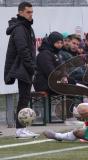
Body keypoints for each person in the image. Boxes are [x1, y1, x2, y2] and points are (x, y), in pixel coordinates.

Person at [4, 2, 39, 138]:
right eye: (28, 12)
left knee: (25, 97)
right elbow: (23, 50)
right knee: (24, 98)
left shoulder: (26, 26)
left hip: (25, 66)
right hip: (22, 67)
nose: (30, 14)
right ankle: (20, 129)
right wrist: (32, 67)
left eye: (31, 12)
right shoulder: (20, 28)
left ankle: (22, 128)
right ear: (20, 13)